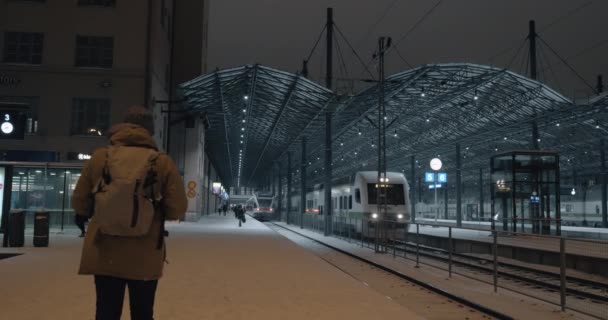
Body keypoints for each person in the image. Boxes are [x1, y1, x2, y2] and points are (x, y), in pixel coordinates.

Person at [72, 106, 187, 320]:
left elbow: (79, 202)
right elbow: (178, 207)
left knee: (106, 311)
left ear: (122, 126)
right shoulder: (161, 162)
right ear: (150, 131)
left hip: (105, 250)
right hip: (145, 252)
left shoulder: (100, 157)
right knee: (142, 313)